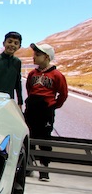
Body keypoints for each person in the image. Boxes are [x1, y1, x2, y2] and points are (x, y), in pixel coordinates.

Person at [25, 43, 67, 182]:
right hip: (31, 110)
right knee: (29, 137)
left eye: (37, 55)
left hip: (45, 111)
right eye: (34, 54)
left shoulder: (57, 75)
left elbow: (63, 93)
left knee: (44, 139)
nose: (34, 57)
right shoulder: (32, 74)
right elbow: (29, 88)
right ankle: (28, 166)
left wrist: (53, 106)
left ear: (47, 57)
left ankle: (44, 169)